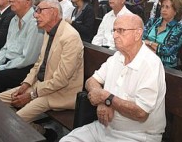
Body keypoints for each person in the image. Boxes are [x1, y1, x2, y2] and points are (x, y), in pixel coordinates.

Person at [60, 14, 166, 142]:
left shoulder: (151, 64)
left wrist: (106, 98)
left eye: (120, 30)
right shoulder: (117, 57)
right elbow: (91, 81)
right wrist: (102, 102)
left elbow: (141, 112)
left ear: (138, 34)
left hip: (137, 135)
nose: (114, 35)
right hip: (104, 128)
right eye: (114, 30)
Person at [0, 0, 84, 141]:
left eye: (39, 10)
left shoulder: (70, 37)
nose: (35, 15)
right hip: (40, 86)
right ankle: (40, 131)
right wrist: (25, 84)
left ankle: (41, 133)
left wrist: (30, 95)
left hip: (59, 93)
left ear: (54, 12)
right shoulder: (48, 31)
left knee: (14, 121)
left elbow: (61, 80)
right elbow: (39, 63)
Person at [143, 0, 182, 68]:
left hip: (165, 65)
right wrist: (154, 48)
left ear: (175, 11)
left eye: (167, 7)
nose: (163, 10)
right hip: (146, 59)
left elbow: (167, 50)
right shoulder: (152, 22)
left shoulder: (178, 28)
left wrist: (149, 43)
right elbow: (141, 40)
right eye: (162, 6)